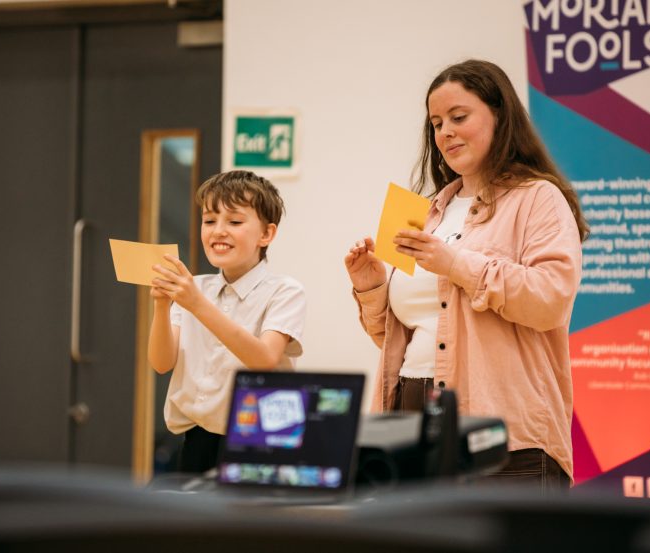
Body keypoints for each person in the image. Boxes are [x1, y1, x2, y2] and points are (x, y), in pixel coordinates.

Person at [344, 59, 588, 490]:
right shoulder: (424, 210)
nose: (445, 133)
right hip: (409, 419)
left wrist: (455, 264)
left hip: (503, 429)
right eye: (436, 123)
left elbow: (550, 300)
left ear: (500, 116)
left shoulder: (538, 197)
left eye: (459, 117)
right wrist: (371, 285)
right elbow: (399, 335)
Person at [149, 170, 306, 474]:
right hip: (197, 438)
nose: (218, 230)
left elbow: (264, 358)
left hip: (260, 441)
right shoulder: (196, 286)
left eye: (234, 222)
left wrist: (197, 304)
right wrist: (160, 304)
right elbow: (160, 362)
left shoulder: (285, 291)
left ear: (266, 234)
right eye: (209, 221)